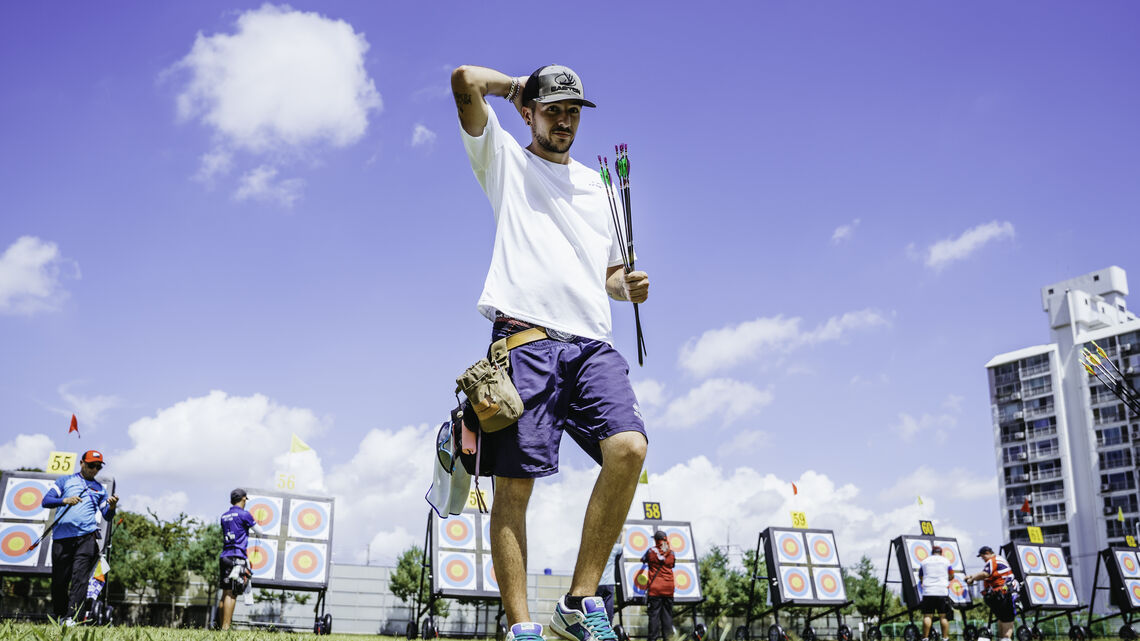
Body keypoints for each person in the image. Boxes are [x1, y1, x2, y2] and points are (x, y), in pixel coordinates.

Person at [451, 63, 650, 641]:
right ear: (531, 113)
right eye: (552, 108)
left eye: (572, 111)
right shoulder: (505, 161)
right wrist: (517, 90)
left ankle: (579, 598)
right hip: (525, 340)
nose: (564, 120)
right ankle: (521, 627)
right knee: (515, 488)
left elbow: (609, 274)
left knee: (630, 449)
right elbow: (465, 80)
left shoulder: (600, 186)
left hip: (592, 345)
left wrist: (627, 286)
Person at [40, 450, 118, 625]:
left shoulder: (100, 489)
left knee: (80, 579)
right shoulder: (64, 481)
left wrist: (111, 507)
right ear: (82, 463)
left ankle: (71, 618)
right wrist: (65, 500)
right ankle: (60, 614)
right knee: (59, 581)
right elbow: (46, 501)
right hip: (62, 538)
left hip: (87, 538)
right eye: (91, 465)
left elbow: (106, 515)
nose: (94, 469)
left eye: (98, 467)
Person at [218, 488, 264, 630]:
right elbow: (260, 532)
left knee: (225, 592)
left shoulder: (224, 516)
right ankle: (226, 629)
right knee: (232, 593)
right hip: (237, 557)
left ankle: (220, 627)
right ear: (244, 498)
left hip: (225, 556)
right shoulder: (244, 514)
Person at [965, 546, 1018, 640]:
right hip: (1006, 592)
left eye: (983, 556)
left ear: (988, 553)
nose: (983, 559)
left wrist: (972, 578)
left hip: (1005, 593)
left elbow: (985, 574)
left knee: (1007, 619)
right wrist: (971, 576)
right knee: (1003, 618)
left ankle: (1005, 638)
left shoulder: (993, 560)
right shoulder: (999, 559)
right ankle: (1003, 639)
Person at [641, 531, 675, 641]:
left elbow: (643, 560)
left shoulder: (651, 551)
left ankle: (653, 639)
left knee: (654, 616)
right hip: (669, 589)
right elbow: (672, 564)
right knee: (667, 617)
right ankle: (668, 639)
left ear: (655, 540)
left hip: (655, 589)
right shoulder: (671, 552)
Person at [917, 545, 954, 641]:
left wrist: (923, 581)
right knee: (943, 616)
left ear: (932, 552)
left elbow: (920, 575)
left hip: (928, 592)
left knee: (927, 616)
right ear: (941, 553)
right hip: (942, 592)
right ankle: (945, 638)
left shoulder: (924, 561)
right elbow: (951, 575)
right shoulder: (946, 561)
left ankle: (925, 638)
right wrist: (947, 579)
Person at [595, 540, 623, 622]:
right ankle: (608, 626)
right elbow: (622, 545)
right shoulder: (613, 547)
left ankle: (598, 627)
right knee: (609, 608)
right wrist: (624, 533)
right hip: (609, 583)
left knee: (597, 608)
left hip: (597, 583)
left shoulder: (596, 548)